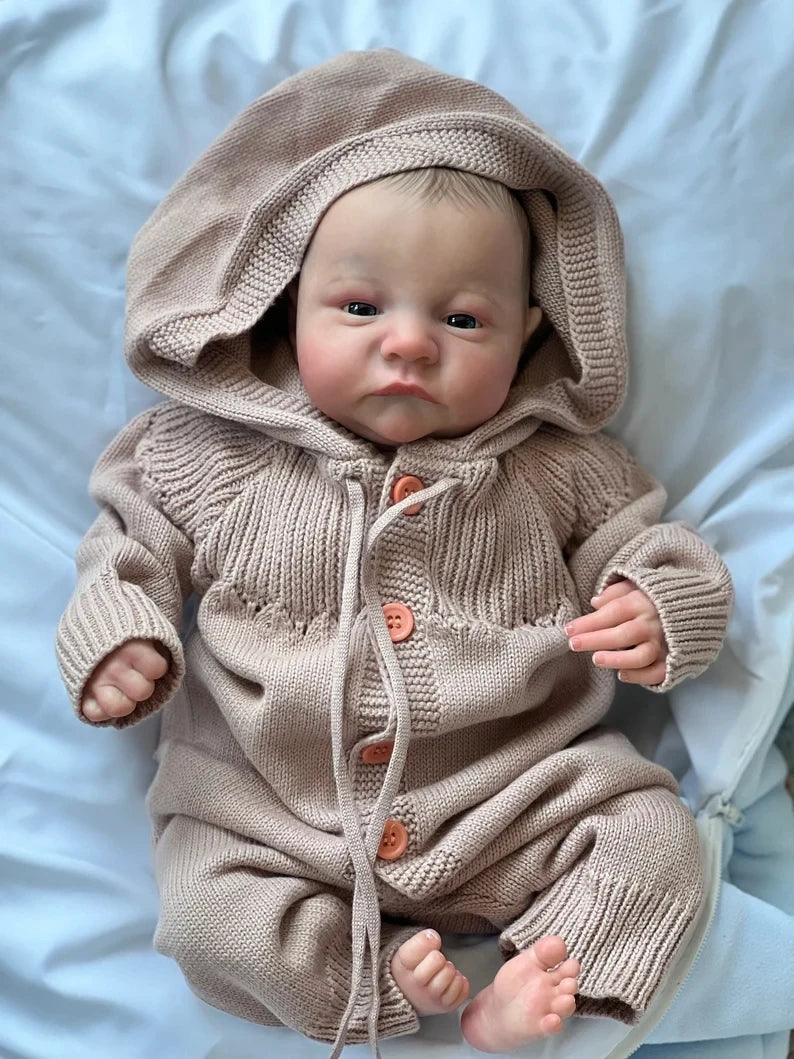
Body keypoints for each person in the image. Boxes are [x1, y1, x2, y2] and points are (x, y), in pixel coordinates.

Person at [55, 49, 733, 1057]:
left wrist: (659, 607)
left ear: (528, 333)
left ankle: (534, 978)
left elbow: (655, 544)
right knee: (203, 916)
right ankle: (367, 981)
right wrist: (118, 634)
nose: (410, 343)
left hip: (510, 795)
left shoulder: (556, 466)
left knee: (654, 838)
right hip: (274, 813)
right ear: (288, 308)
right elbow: (125, 542)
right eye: (361, 308)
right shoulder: (211, 452)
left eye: (462, 318)